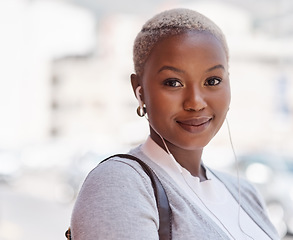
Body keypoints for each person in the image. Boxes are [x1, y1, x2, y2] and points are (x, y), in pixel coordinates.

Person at [70, 8, 279, 240]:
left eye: (212, 80)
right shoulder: (119, 184)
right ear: (139, 90)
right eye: (173, 82)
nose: (195, 102)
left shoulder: (245, 193)